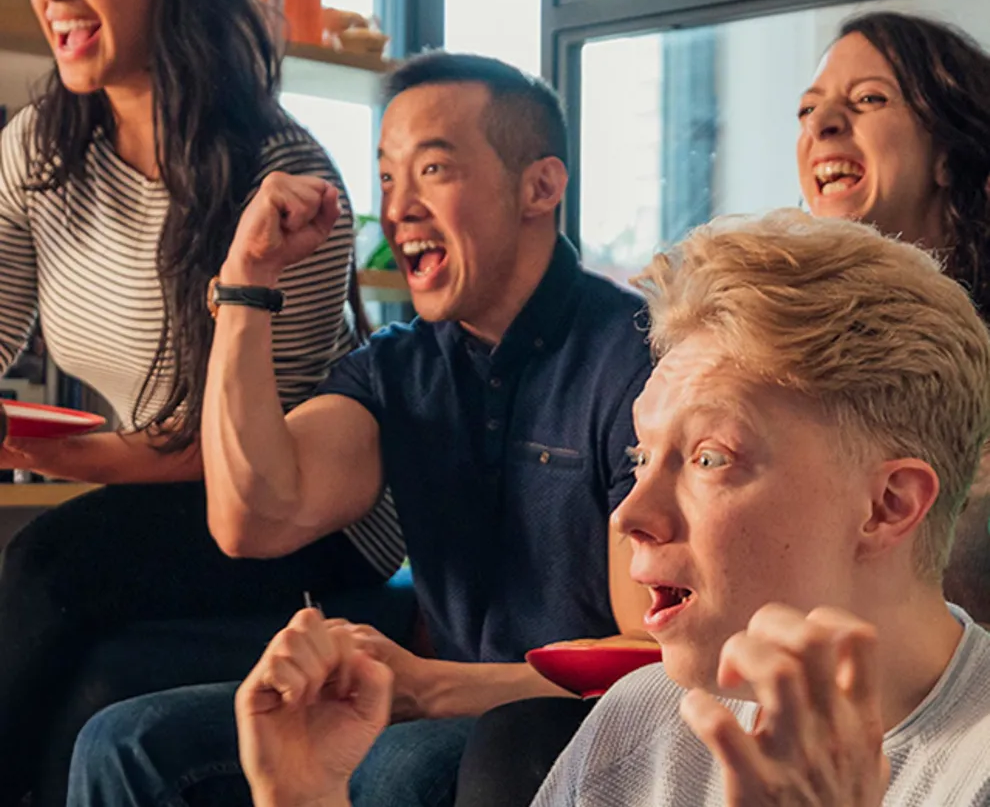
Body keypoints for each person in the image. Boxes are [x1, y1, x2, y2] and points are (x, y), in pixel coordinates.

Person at [230, 210, 990, 806]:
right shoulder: (643, 717)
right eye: (638, 458)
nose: (629, 515)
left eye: (709, 459)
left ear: (889, 506)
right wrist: (308, 796)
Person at [66, 52, 654, 807]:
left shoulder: (632, 362)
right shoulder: (400, 365)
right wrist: (247, 286)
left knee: (398, 768)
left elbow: (646, 660)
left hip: (562, 730)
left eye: (433, 170)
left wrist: (432, 687)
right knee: (126, 741)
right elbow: (252, 516)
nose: (397, 206)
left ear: (540, 186)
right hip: (429, 703)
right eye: (385, 176)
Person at [0, 0, 404, 804]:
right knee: (85, 661)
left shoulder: (280, 178)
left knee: (46, 567)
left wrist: (60, 453)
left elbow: (257, 461)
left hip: (305, 523)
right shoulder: (37, 154)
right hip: (163, 503)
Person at [795, 11, 990, 623]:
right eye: (807, 110)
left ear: (948, 159)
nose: (823, 124)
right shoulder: (785, 348)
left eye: (869, 99)